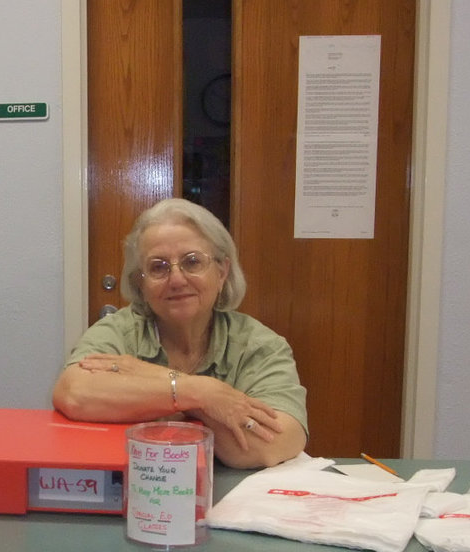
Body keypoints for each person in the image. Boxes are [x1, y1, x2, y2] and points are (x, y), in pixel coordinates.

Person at [53, 198, 308, 469]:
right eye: (158, 267)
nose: (176, 279)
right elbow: (74, 393)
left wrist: (150, 378)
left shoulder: (259, 346)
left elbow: (269, 444)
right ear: (140, 285)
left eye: (193, 262)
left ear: (222, 272)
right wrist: (200, 392)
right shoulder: (118, 331)